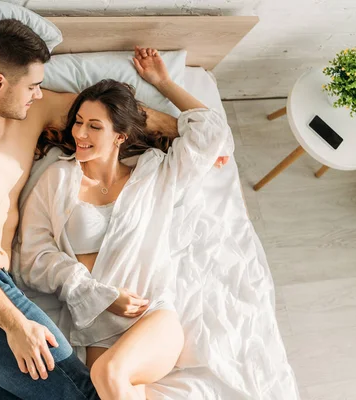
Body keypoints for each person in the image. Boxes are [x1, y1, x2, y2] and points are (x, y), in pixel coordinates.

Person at [0, 19, 181, 400]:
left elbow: (115, 117)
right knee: (87, 394)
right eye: (32, 86)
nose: (40, 94)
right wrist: (15, 323)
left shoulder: (31, 111)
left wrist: (180, 128)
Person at [18, 47, 232, 399]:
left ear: (120, 136)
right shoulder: (57, 178)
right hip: (94, 328)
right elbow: (31, 258)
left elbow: (211, 133)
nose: (80, 133)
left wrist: (162, 82)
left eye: (94, 126)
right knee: (108, 383)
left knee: (109, 372)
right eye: (78, 121)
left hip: (152, 317)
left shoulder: (154, 173)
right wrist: (96, 293)